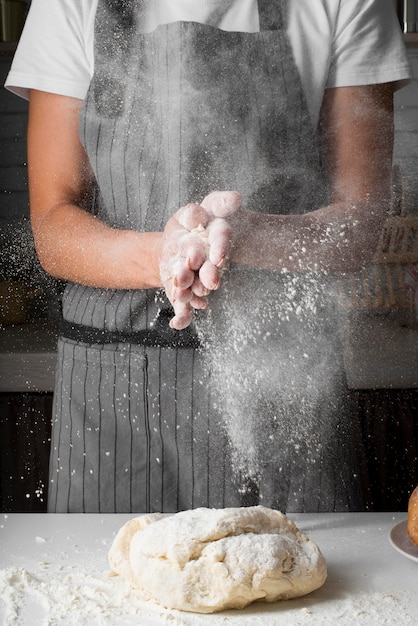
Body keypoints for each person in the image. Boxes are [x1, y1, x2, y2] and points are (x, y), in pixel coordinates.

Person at [5, 0, 411, 513]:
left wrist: (244, 235)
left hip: (281, 384)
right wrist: (163, 253)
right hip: (114, 387)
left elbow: (356, 228)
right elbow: (53, 228)